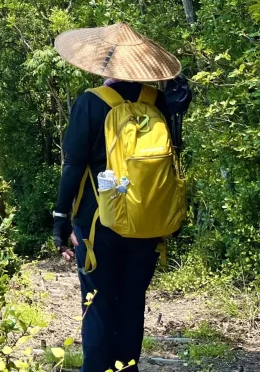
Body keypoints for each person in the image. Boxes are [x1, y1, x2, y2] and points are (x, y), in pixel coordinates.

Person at [51, 23, 191, 372]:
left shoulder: (91, 102)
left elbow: (73, 165)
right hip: (147, 221)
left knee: (97, 304)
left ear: (105, 61)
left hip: (99, 223)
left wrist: (60, 219)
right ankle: (126, 369)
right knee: (131, 304)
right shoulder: (156, 101)